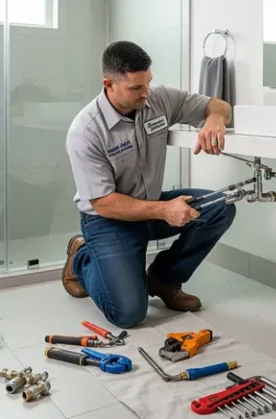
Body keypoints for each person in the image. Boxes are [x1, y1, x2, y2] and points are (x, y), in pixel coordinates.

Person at [61, 41, 235, 329]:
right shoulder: (86, 131)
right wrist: (164, 210)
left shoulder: (158, 100)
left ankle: (163, 279)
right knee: (129, 314)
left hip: (152, 206)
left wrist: (215, 119)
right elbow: (103, 202)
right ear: (109, 84)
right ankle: (81, 258)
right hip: (108, 220)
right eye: (136, 88)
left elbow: (217, 105)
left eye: (148, 83)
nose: (146, 93)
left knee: (220, 207)